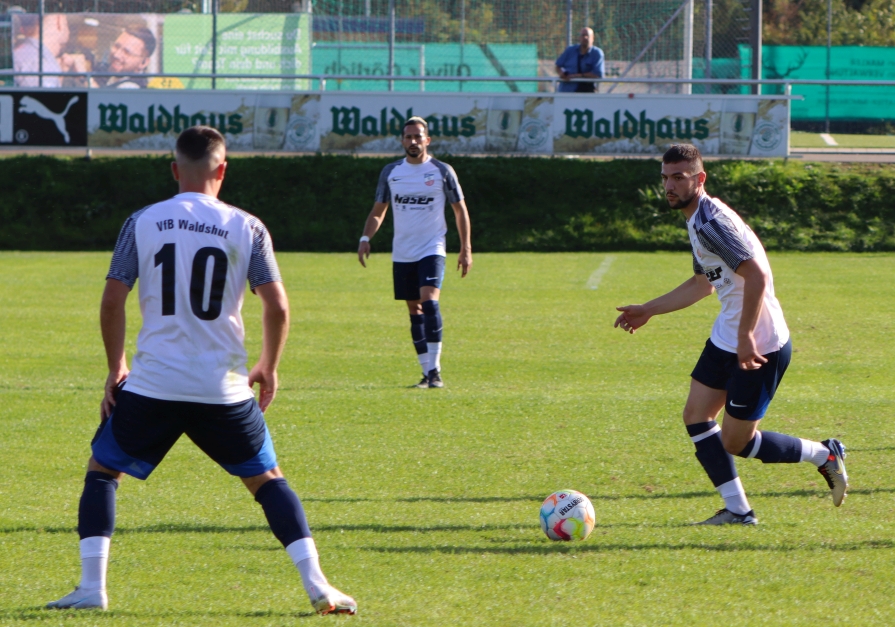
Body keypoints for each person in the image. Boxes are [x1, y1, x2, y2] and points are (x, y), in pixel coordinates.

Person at [46, 126, 356, 615]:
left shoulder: (142, 221)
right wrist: (268, 367)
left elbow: (112, 300)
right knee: (268, 480)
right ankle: (318, 584)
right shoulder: (247, 226)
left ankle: (91, 588)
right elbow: (276, 305)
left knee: (103, 472)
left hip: (153, 384)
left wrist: (115, 367)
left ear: (174, 170)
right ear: (223, 170)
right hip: (223, 387)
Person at [613, 144, 849, 525]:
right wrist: (648, 309)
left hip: (760, 342)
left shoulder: (711, 223)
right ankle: (738, 510)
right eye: (665, 177)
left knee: (736, 442)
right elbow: (701, 283)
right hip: (730, 335)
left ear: (699, 179)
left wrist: (746, 337)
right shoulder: (697, 219)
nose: (669, 186)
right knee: (696, 415)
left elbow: (757, 275)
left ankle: (824, 455)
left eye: (678, 177)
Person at [357, 116, 472, 389]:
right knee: (414, 309)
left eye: (418, 136)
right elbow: (378, 210)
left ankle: (436, 371)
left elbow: (460, 211)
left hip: (433, 248)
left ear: (427, 140)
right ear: (402, 141)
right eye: (408, 137)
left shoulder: (442, 171)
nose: (413, 141)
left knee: (429, 301)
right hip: (403, 251)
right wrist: (365, 237)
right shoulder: (391, 172)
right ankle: (426, 373)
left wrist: (465, 248)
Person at [64, 26, 156, 89]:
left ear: (143, 63)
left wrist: (83, 75)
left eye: (127, 52)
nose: (117, 54)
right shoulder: (111, 74)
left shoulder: (132, 88)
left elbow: (102, 105)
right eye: (116, 46)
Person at [12, 13, 70, 87]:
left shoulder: (30, 55)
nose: (69, 31)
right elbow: (43, 97)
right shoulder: (40, 62)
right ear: (59, 21)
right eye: (67, 23)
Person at [554, 27, 604, 93]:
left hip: (587, 92)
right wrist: (561, 74)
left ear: (593, 38)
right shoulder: (570, 50)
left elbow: (598, 75)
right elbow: (558, 66)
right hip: (567, 90)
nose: (585, 38)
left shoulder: (597, 53)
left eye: (587, 36)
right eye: (583, 35)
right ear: (579, 38)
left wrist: (577, 76)